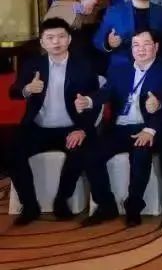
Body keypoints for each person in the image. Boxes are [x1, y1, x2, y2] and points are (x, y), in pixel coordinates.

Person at [9, 19, 99, 226]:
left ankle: (61, 201)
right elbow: (13, 91)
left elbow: (95, 101)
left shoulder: (83, 66)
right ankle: (29, 205)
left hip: (71, 127)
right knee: (13, 152)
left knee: (80, 152)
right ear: (42, 42)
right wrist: (27, 89)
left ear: (69, 39)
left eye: (61, 37)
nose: (56, 42)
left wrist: (83, 129)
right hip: (38, 128)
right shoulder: (33, 65)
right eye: (50, 38)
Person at [83, 29, 162, 226]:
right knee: (90, 155)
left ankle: (134, 207)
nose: (141, 49)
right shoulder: (120, 70)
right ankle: (106, 205)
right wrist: (88, 101)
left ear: (156, 47)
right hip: (119, 128)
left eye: (146, 44)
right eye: (136, 45)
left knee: (140, 154)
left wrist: (151, 126)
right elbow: (105, 92)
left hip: (146, 127)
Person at [95, 0, 162, 69]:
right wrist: (108, 43)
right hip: (123, 66)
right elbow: (98, 40)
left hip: (156, 67)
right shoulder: (115, 12)